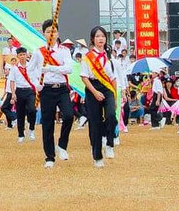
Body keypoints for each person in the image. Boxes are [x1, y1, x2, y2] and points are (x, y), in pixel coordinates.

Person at [28, 19, 76, 169]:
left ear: (58, 33)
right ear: (43, 33)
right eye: (48, 31)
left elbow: (69, 69)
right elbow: (30, 70)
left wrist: (50, 68)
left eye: (53, 31)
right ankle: (49, 157)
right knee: (48, 123)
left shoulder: (64, 51)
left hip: (62, 88)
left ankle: (62, 145)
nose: (51, 34)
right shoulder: (38, 52)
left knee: (69, 116)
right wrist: (36, 84)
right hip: (47, 90)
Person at [80, 26, 118, 168]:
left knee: (111, 115)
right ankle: (97, 156)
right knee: (95, 123)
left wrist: (115, 97)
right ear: (93, 39)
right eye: (97, 36)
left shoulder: (109, 57)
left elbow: (113, 78)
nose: (100, 39)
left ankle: (109, 143)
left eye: (102, 36)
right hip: (92, 88)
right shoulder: (87, 57)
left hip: (107, 88)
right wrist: (95, 92)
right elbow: (84, 77)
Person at [4, 46, 37, 143]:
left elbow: (36, 78)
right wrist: (13, 93)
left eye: (24, 54)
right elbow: (12, 81)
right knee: (20, 113)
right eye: (20, 55)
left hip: (30, 90)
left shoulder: (31, 66)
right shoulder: (15, 68)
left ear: (26, 55)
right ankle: (21, 134)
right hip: (19, 91)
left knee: (32, 110)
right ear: (17, 56)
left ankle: (31, 129)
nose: (22, 56)